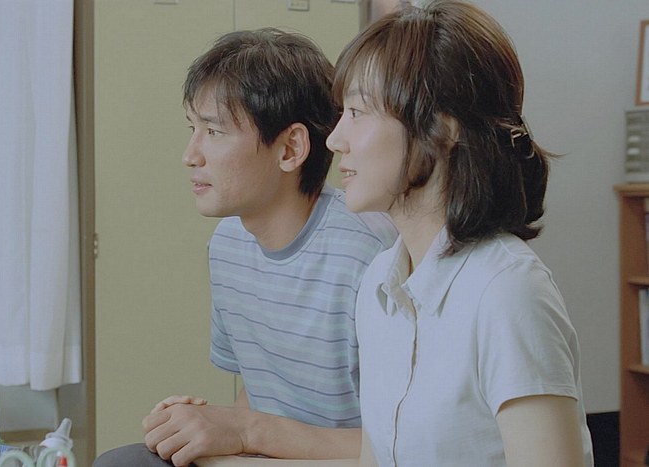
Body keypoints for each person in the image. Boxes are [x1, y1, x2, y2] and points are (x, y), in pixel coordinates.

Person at [93, 28, 396, 467]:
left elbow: (402, 443)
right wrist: (208, 426)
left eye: (214, 131)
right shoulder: (229, 244)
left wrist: (244, 430)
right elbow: (256, 395)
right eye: (193, 128)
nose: (190, 155)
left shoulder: (369, 258)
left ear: (290, 148)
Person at [325, 1, 594, 466]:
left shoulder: (507, 291)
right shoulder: (378, 284)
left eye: (357, 111)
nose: (335, 138)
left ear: (441, 129)